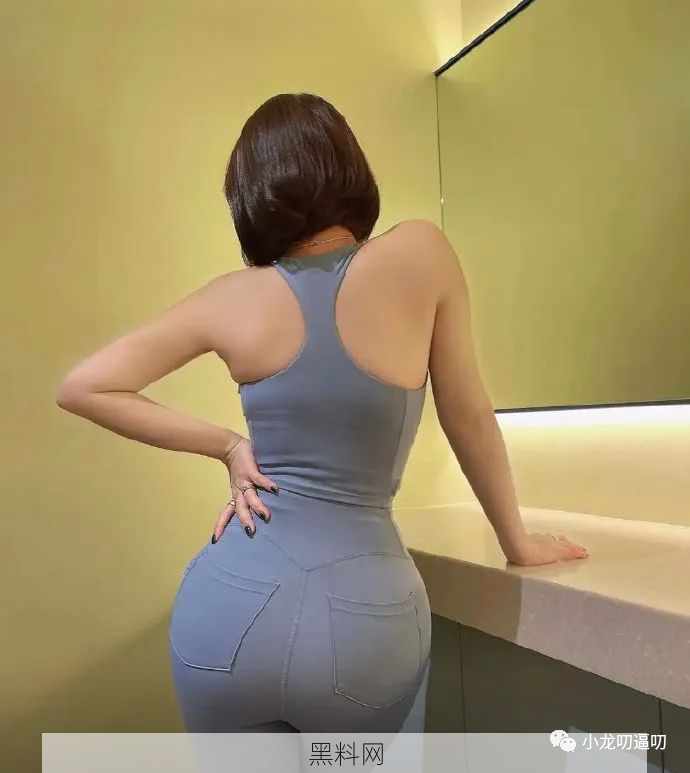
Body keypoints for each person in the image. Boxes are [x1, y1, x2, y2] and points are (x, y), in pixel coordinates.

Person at [56, 93, 588, 736]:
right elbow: (468, 415)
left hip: (226, 609)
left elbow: (84, 387)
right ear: (346, 166)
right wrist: (517, 542)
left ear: (249, 196)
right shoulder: (421, 253)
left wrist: (228, 445)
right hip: (364, 622)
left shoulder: (232, 296)